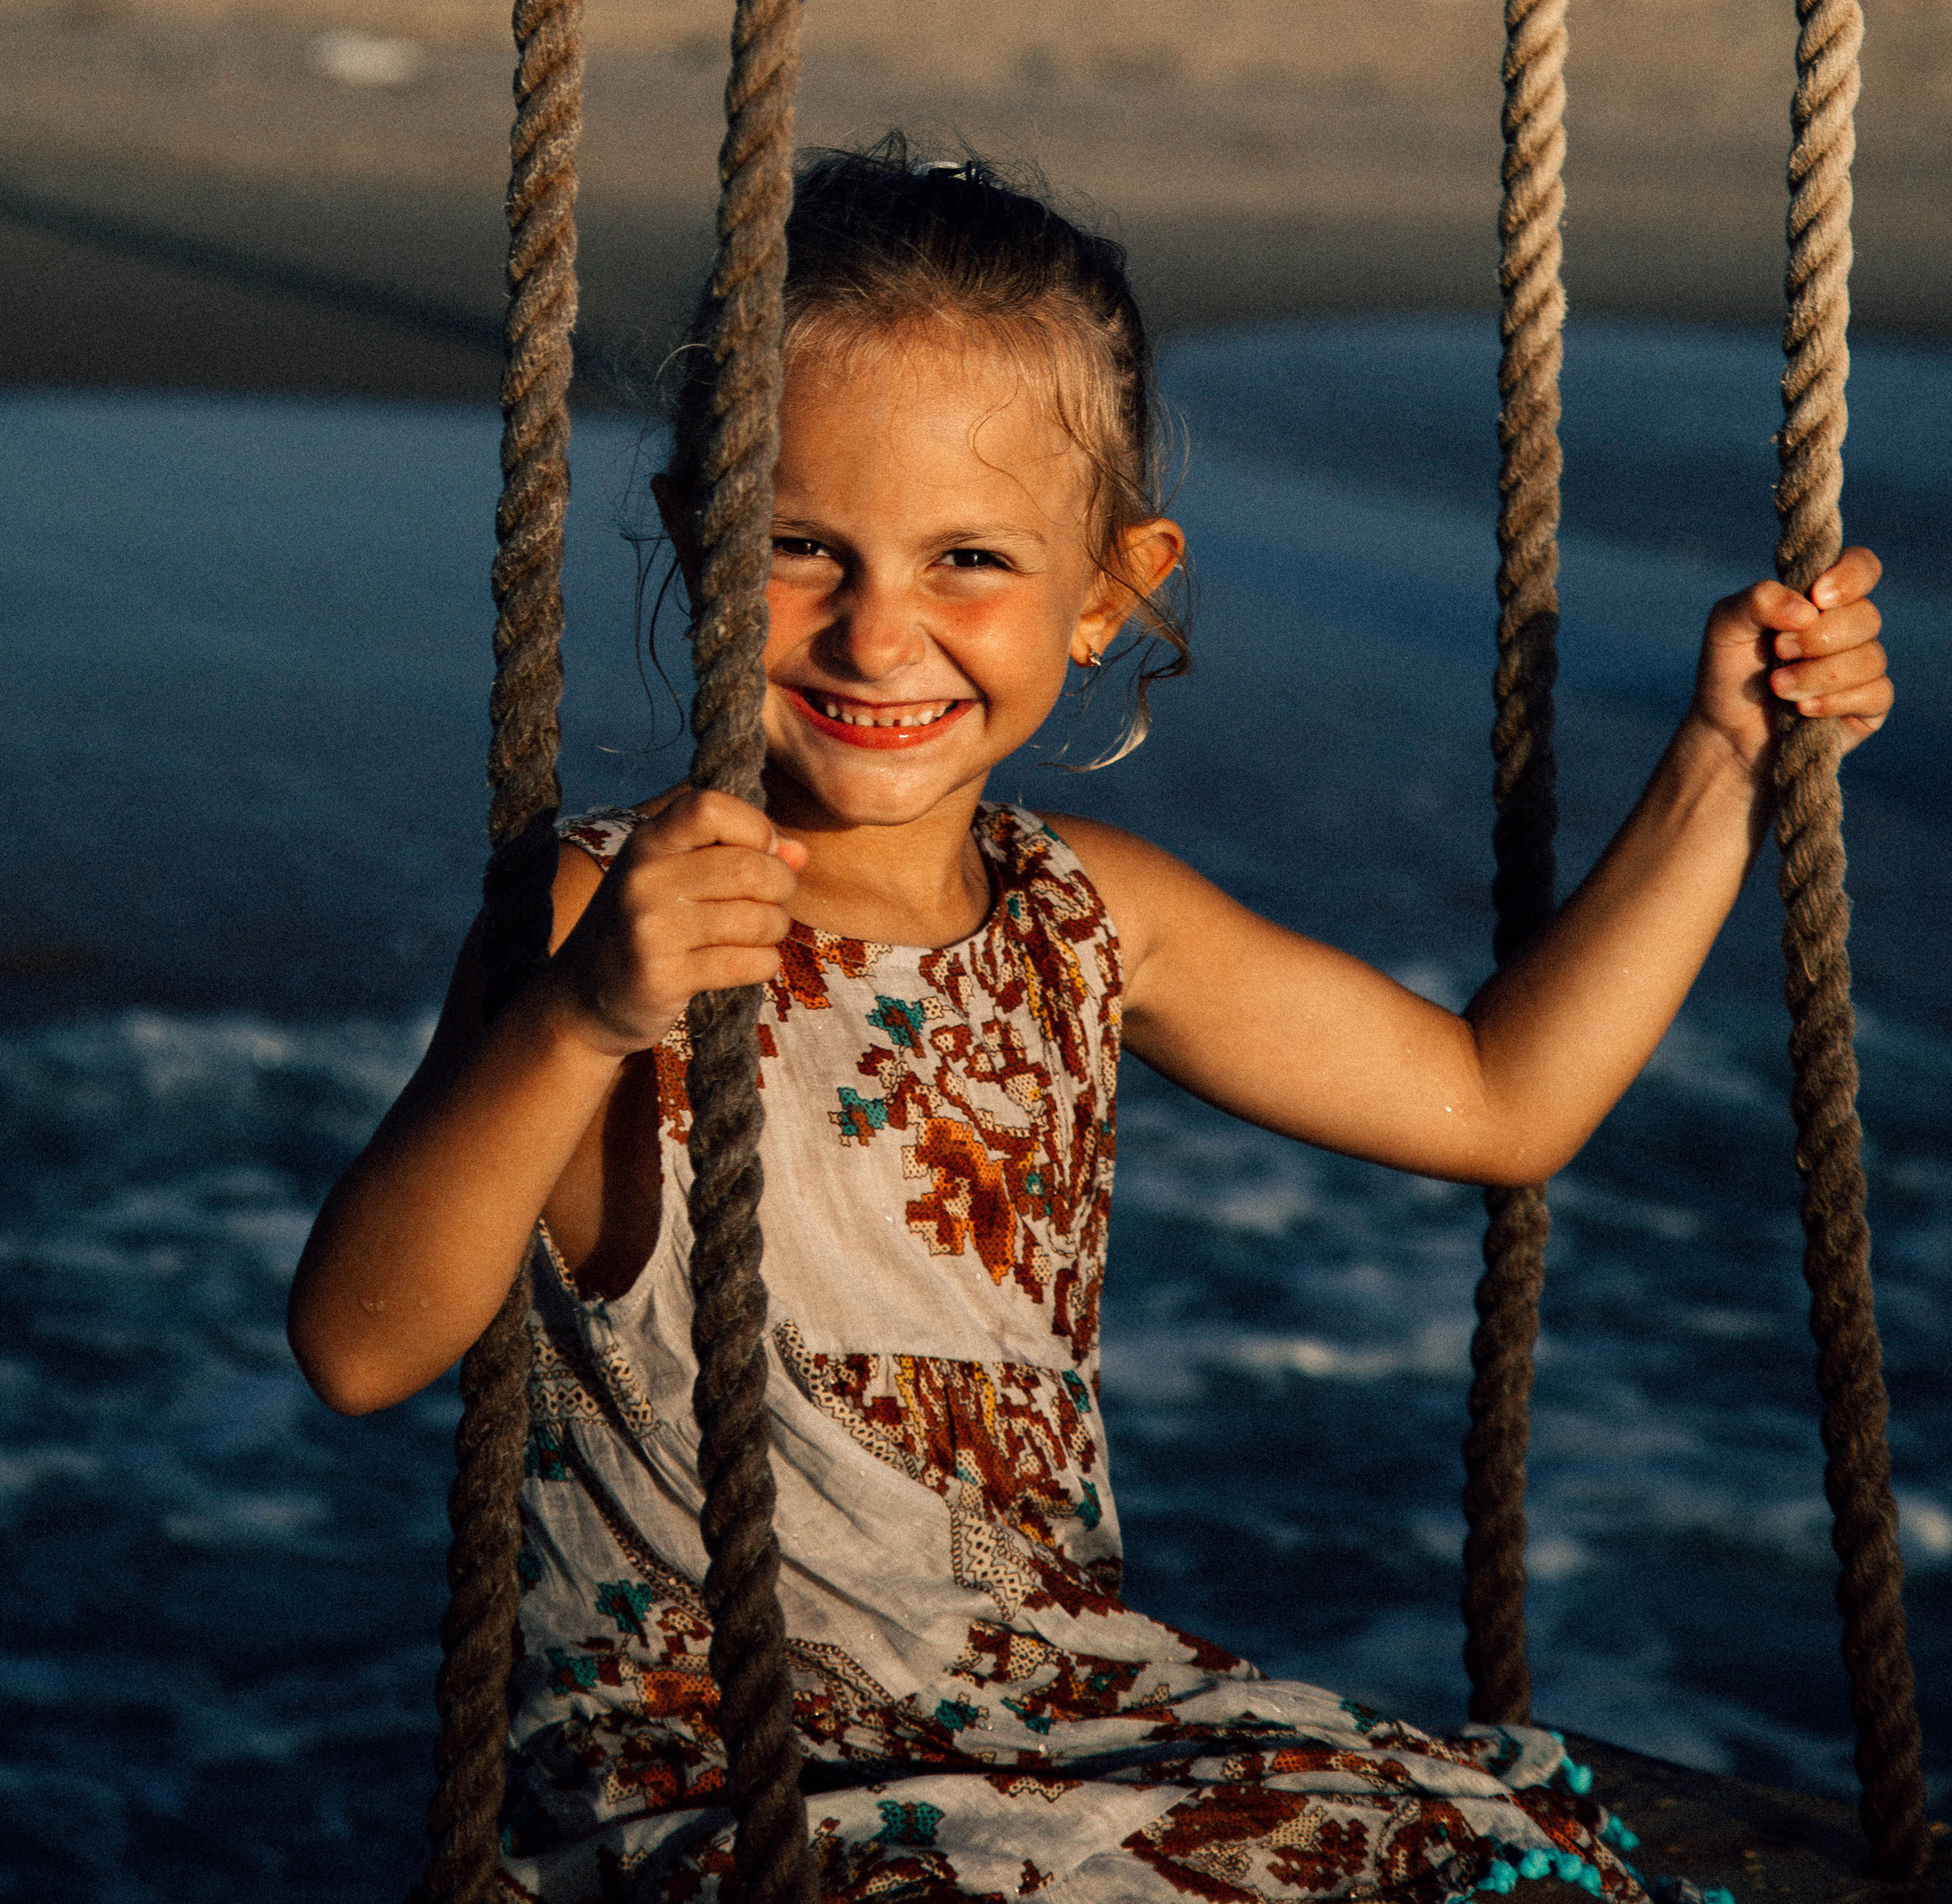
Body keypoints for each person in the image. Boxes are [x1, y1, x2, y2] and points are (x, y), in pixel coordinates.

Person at [288, 142, 1894, 1903]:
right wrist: (575, 1025)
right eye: (798, 547)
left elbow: (1493, 1099)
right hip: (719, 1765)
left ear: (1107, 590)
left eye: (966, 557)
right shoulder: (611, 911)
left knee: (1503, 1858)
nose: (875, 631)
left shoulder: (1090, 918)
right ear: (692, 530)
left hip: (1059, 1721)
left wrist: (1724, 762)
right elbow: (361, 1348)